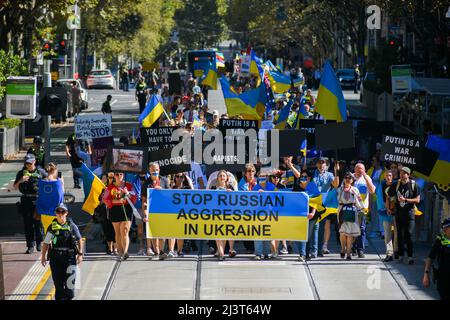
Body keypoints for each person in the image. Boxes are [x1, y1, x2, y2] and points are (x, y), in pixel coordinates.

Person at [40, 203, 83, 300]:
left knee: (70, 285)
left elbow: (79, 239)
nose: (60, 214)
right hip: (56, 259)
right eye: (58, 212)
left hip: (70, 258)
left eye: (62, 211)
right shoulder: (52, 227)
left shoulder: (72, 226)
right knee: (58, 285)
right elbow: (46, 243)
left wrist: (80, 254)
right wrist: (43, 256)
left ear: (66, 213)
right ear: (55, 213)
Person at [14, 154, 47, 254]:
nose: (28, 164)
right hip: (26, 200)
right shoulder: (21, 173)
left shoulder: (41, 172)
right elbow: (15, 186)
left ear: (34, 162)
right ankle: (30, 245)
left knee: (38, 224)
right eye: (26, 163)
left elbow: (50, 182)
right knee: (28, 224)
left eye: (29, 162)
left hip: (38, 200)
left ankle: (39, 243)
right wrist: (21, 180)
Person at [102, 172, 137, 261]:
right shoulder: (110, 187)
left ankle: (125, 252)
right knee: (118, 232)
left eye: (121, 174)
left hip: (127, 210)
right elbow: (105, 199)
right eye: (117, 174)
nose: (119, 176)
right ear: (114, 176)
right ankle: (120, 252)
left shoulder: (128, 185)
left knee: (124, 231)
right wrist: (115, 202)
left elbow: (135, 197)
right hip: (115, 211)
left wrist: (127, 193)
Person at [390, 166, 420, 265]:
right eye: (401, 173)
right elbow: (389, 194)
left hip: (409, 213)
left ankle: (410, 256)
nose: (402, 175)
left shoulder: (414, 185)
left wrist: (406, 200)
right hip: (398, 213)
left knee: (409, 235)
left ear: (408, 175)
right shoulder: (396, 184)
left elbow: (417, 200)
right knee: (399, 235)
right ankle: (401, 255)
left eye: (404, 173)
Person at [141, 162, 171, 260]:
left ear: (159, 170)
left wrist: (162, 190)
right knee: (154, 233)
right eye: (153, 170)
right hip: (151, 211)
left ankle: (161, 251)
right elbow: (144, 201)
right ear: (149, 171)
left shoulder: (164, 180)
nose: (155, 171)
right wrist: (145, 215)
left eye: (157, 169)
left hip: (163, 211)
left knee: (162, 234)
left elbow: (170, 196)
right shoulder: (146, 183)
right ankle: (157, 251)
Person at [313, 157, 339, 256]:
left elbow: (336, 185)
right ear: (316, 165)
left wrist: (337, 172)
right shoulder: (313, 173)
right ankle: (314, 248)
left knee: (325, 226)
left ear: (326, 165)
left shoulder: (329, 175)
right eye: (319, 163)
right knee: (315, 226)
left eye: (323, 163)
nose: (321, 165)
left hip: (325, 203)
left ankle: (324, 246)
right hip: (314, 202)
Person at [208, 170, 236, 260]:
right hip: (216, 213)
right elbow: (208, 198)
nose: (222, 177)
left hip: (228, 213)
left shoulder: (230, 186)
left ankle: (224, 251)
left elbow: (236, 199)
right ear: (217, 178)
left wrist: (231, 193)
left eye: (224, 176)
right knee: (218, 233)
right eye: (220, 176)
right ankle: (221, 253)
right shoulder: (213, 187)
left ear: (227, 178)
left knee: (226, 233)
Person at [294, 170, 321, 261]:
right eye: (302, 176)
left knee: (307, 236)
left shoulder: (313, 186)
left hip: (312, 215)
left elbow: (317, 200)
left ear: (309, 178)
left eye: (305, 176)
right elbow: (291, 197)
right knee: (300, 235)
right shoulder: (297, 186)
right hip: (300, 214)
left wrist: (312, 213)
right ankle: (303, 253)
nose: (303, 178)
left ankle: (305, 254)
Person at [352, 162, 376, 258]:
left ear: (364, 170)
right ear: (354, 170)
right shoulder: (350, 177)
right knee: (352, 229)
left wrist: (366, 178)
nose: (359, 171)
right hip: (351, 207)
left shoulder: (367, 178)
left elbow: (372, 191)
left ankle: (360, 250)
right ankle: (352, 247)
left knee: (362, 229)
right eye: (357, 169)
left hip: (362, 209)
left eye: (361, 169)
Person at [337, 172, 364, 260]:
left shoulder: (355, 190)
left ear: (352, 180)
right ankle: (342, 248)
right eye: (346, 177)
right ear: (344, 179)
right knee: (342, 233)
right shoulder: (339, 189)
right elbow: (336, 200)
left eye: (350, 178)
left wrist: (362, 209)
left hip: (352, 211)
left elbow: (359, 201)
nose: (348, 179)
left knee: (350, 234)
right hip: (342, 211)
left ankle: (348, 254)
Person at [423, 218, 450, 300]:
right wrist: (426, 274)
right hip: (443, 279)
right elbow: (430, 257)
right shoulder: (440, 240)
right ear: (445, 229)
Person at [381, 170, 398, 262]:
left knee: (396, 232)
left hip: (396, 212)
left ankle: (396, 251)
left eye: (390, 175)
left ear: (393, 176)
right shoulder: (382, 185)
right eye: (387, 175)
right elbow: (381, 198)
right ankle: (389, 253)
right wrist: (386, 208)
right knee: (387, 233)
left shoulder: (397, 184)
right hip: (386, 212)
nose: (388, 177)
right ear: (384, 177)